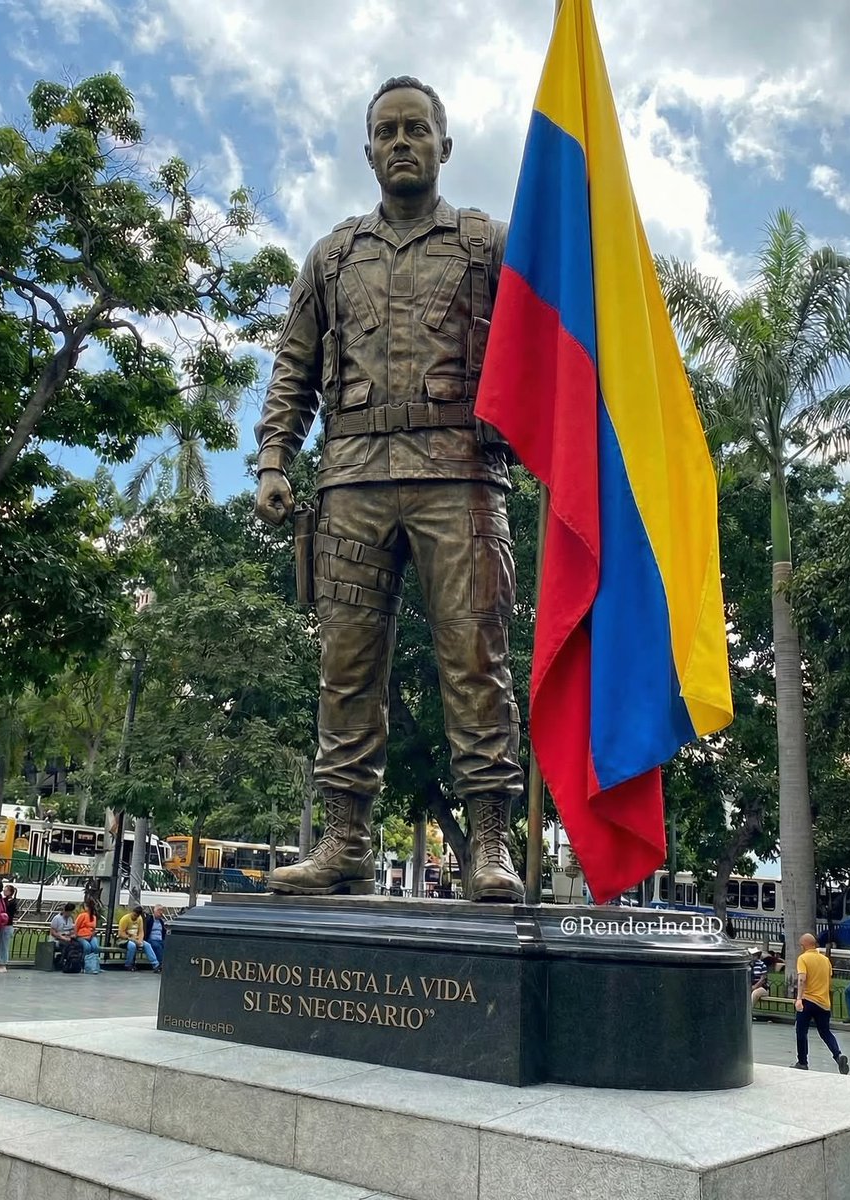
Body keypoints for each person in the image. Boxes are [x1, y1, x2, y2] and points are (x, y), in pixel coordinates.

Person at [255, 75, 523, 902]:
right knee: (346, 668)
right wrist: (273, 460)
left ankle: (489, 844)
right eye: (386, 130)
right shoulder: (331, 258)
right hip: (351, 484)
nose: (401, 141)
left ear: (445, 145)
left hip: (461, 480)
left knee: (476, 660)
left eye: (416, 128)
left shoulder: (489, 243)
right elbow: (293, 367)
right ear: (367, 149)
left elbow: (545, 350)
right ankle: (344, 841)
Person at [793, 932, 849, 1073]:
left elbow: (802, 979)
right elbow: (828, 980)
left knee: (801, 1032)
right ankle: (838, 1055)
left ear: (804, 945)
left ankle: (802, 1062)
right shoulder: (825, 960)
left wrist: (799, 999)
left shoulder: (803, 958)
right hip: (823, 1003)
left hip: (807, 1000)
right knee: (825, 1032)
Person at [117, 906, 161, 972]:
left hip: (136, 939)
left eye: (137, 916)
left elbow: (141, 931)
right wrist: (130, 938)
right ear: (132, 912)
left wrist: (140, 940)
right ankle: (128, 964)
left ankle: (155, 964)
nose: (135, 917)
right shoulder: (125, 919)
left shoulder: (139, 919)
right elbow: (121, 934)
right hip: (125, 940)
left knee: (147, 945)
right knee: (132, 945)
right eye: (134, 915)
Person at [0, 884, 18, 973]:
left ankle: (3, 964)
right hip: (2, 925)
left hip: (7, 925)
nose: (4, 891)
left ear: (11, 892)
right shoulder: (4, 900)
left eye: (6, 890)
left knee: (4, 945)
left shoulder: (12, 902)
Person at [49, 902, 76, 967]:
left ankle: (72, 961)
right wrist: (61, 937)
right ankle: (61, 961)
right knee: (66, 945)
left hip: (67, 937)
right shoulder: (57, 918)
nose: (70, 914)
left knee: (77, 944)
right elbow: (53, 932)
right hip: (57, 939)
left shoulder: (70, 919)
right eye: (69, 912)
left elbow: (71, 929)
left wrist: (71, 934)